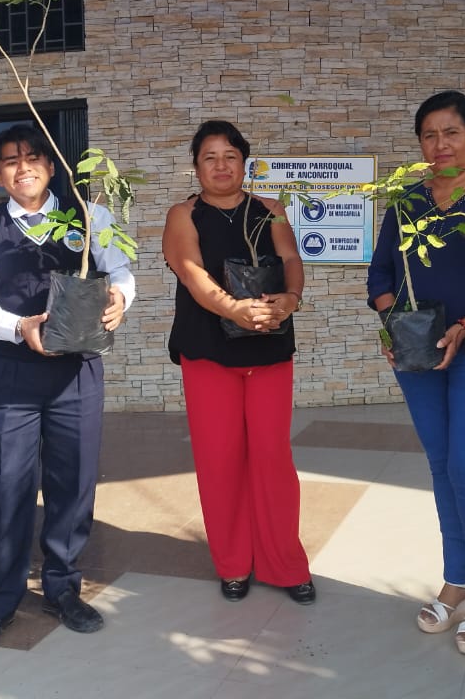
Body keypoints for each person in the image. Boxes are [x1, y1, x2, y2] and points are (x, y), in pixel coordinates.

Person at [0, 123, 134, 656]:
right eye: (11, 160)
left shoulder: (90, 216)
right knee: (4, 485)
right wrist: (19, 326)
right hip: (10, 371)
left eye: (33, 157)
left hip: (76, 371)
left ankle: (62, 586)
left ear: (51, 166)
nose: (23, 168)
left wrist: (120, 300)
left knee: (73, 482)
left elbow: (120, 271)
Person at [366, 90, 465, 656]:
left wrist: (462, 328)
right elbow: (380, 275)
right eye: (429, 135)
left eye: (451, 132)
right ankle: (456, 581)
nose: (440, 144)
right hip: (420, 357)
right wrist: (398, 327)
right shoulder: (407, 202)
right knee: (441, 466)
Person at [162, 120, 316, 605]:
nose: (221, 165)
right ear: (196, 167)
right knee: (220, 460)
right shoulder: (183, 215)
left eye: (230, 156)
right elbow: (191, 271)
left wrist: (290, 299)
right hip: (208, 351)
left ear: (245, 163)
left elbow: (290, 260)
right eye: (210, 157)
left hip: (268, 347)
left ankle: (284, 563)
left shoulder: (270, 210)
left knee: (273, 458)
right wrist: (232, 309)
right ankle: (233, 564)